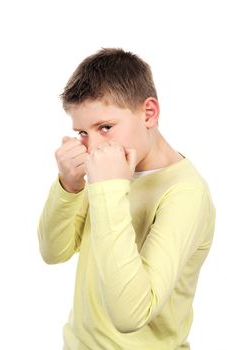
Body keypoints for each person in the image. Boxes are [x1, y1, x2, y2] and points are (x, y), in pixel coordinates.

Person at [37, 48, 216, 350]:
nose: (92, 145)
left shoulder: (185, 193)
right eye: (81, 132)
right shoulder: (109, 166)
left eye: (105, 127)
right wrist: (68, 186)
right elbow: (54, 252)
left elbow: (130, 314)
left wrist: (108, 188)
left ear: (149, 113)